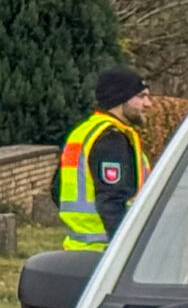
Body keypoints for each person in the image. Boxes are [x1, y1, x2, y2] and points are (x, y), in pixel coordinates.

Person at [58, 70, 152, 250]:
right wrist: (126, 249)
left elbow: (57, 188)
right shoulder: (111, 139)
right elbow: (111, 201)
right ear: (120, 99)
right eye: (141, 96)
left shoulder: (85, 131)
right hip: (104, 251)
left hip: (78, 246)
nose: (148, 104)